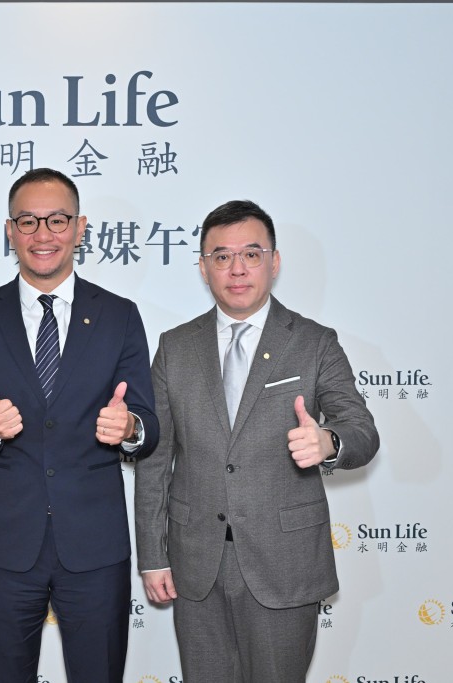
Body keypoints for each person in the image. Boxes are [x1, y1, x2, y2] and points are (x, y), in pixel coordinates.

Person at [135, 199, 379, 682]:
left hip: (283, 562)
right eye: (222, 256)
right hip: (196, 562)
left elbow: (361, 429)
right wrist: (152, 556)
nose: (237, 269)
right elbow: (155, 459)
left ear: (275, 261)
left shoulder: (314, 342)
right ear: (203, 268)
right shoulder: (174, 346)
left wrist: (328, 441)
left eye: (251, 253)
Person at [0, 168, 160, 683]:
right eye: (28, 221)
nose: (43, 234)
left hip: (94, 544)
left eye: (57, 220)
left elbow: (149, 426)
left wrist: (128, 426)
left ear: (80, 228)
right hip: (5, 544)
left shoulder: (120, 316)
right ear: (10, 230)